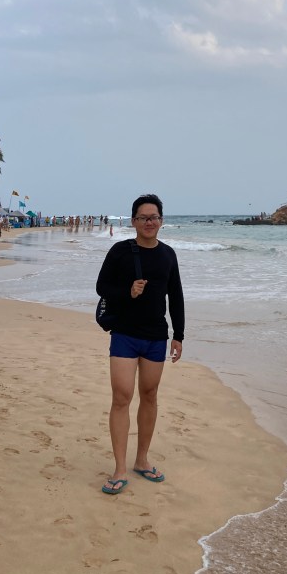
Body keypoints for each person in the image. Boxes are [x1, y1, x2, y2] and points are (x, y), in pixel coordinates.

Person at [96, 193, 184, 495]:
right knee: (122, 397)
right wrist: (127, 291)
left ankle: (142, 460)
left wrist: (179, 335)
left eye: (154, 217)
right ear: (134, 221)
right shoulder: (120, 251)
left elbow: (176, 296)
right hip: (124, 333)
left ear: (161, 221)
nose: (149, 222)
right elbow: (101, 286)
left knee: (149, 395)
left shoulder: (168, 255)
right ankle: (120, 468)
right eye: (144, 217)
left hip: (156, 335)